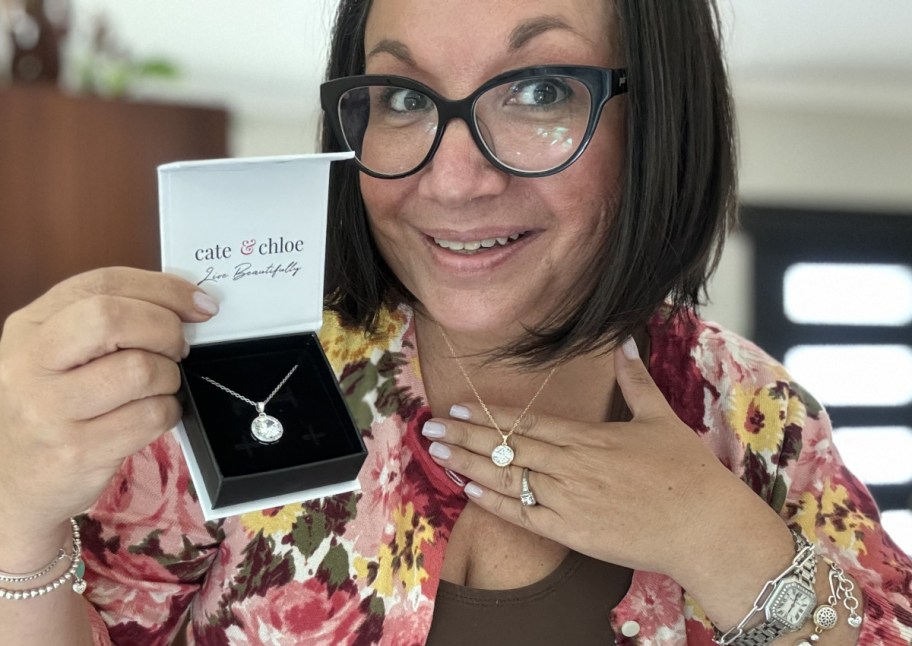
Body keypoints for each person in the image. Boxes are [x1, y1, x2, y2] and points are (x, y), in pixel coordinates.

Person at [1, 0, 910, 644]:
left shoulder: (755, 416)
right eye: (403, 98)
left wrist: (725, 545)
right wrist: (18, 517)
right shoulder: (243, 374)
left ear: (658, 116)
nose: (455, 180)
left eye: (540, 90)